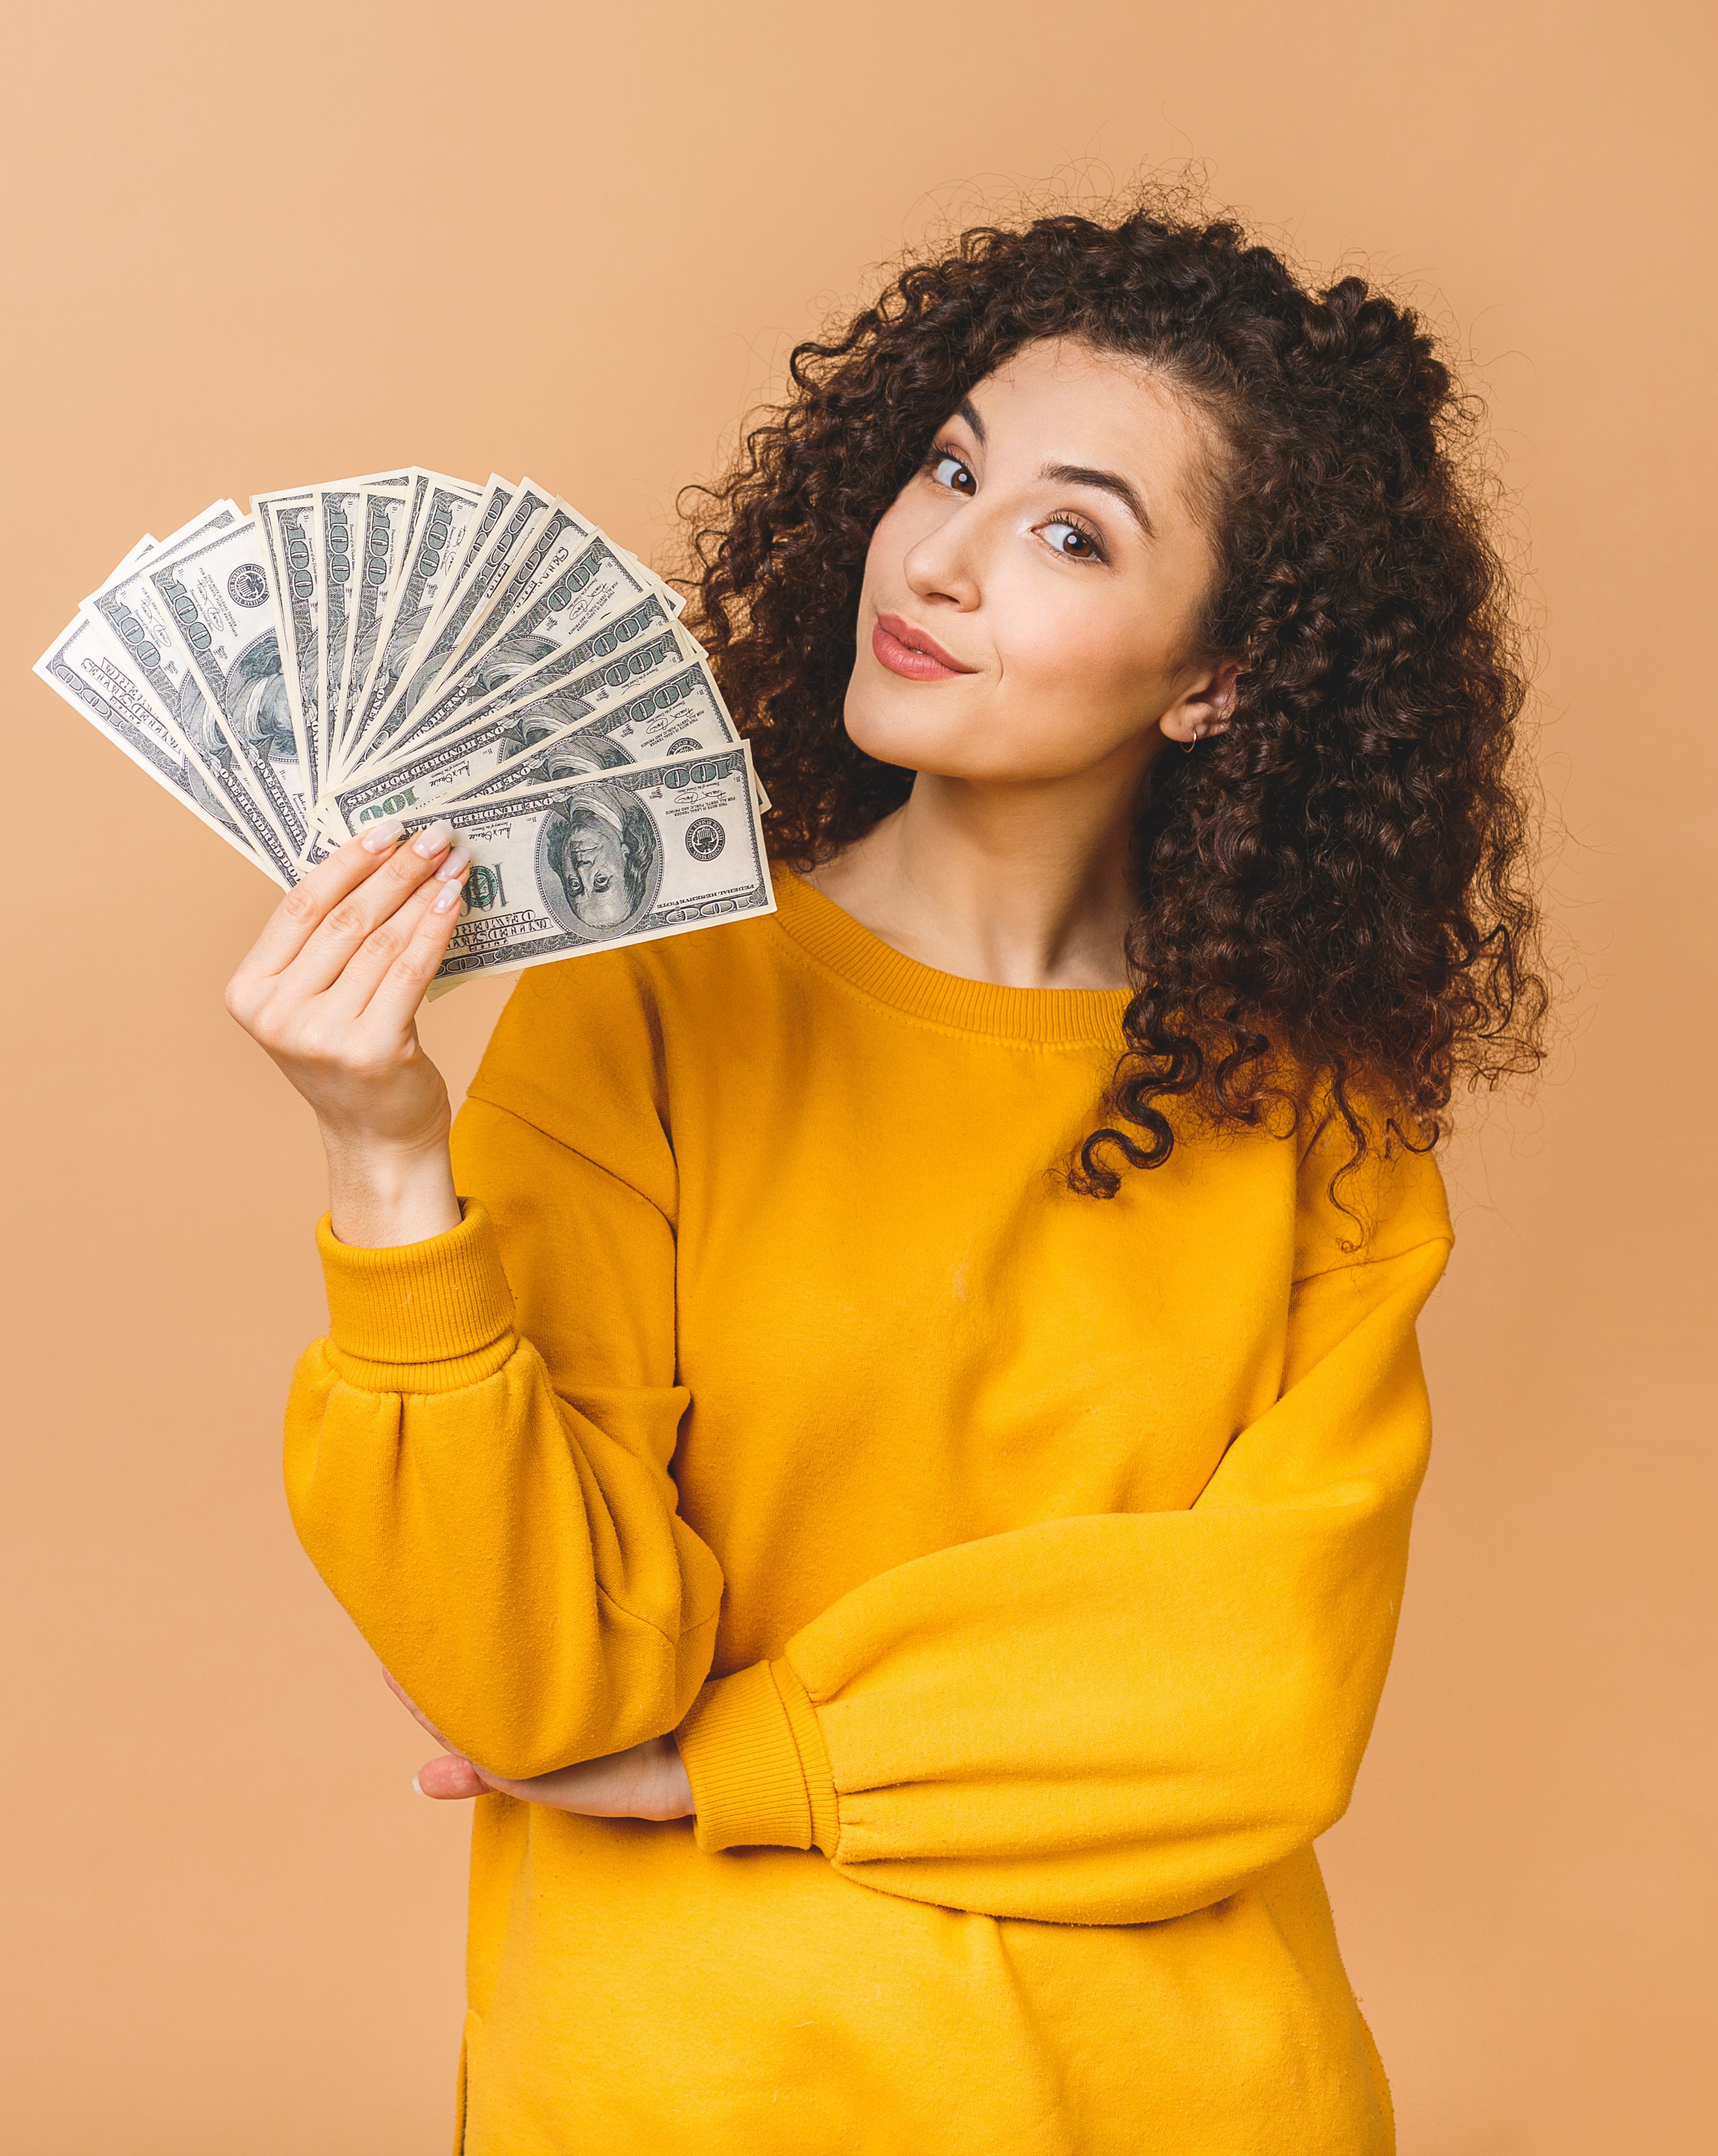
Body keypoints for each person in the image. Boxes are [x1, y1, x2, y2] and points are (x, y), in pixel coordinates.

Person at [221, 205, 1544, 2153]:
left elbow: (1261, 1696)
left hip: (1191, 2102)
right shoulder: (650, 1010)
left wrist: (735, 1761)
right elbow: (539, 1674)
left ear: (1219, 681)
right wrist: (386, 1159)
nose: (938, 557)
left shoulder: (1320, 1118)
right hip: (689, 2097)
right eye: (951, 466)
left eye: (1071, 533)